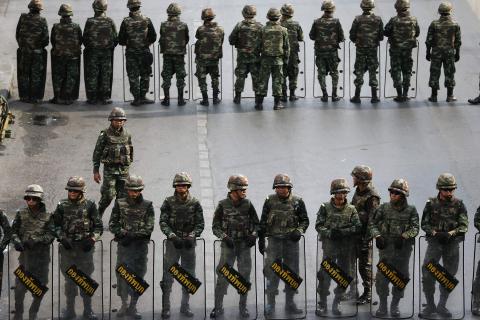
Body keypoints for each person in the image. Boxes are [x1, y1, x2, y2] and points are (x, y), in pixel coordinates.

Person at [52, 177, 102, 320]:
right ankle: (70, 310)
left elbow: (98, 227)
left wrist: (92, 239)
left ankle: (88, 310)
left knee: (85, 280)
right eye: (70, 190)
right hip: (68, 249)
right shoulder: (62, 205)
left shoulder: (90, 205)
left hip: (84, 250)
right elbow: (54, 225)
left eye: (75, 190)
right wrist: (62, 237)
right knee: (69, 281)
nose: (72, 193)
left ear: (81, 192)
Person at [259, 174, 309, 316]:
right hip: (274, 242)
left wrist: (299, 231)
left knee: (291, 274)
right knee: (272, 273)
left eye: (283, 187)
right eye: (278, 187)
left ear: (289, 188)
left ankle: (290, 303)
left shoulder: (298, 202)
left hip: (290, 243)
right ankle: (270, 304)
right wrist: (261, 240)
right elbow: (262, 222)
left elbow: (305, 220)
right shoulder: (269, 201)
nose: (280, 190)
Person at [211, 175, 259, 318]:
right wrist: (224, 237)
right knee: (223, 276)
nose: (244, 191)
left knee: (244, 277)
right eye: (241, 188)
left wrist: (254, 235)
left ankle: (243, 307)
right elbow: (215, 227)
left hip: (244, 246)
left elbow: (257, 224)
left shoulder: (248, 204)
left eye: (245, 188)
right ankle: (218, 307)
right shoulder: (222, 205)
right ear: (233, 189)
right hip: (228, 247)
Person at [420, 173, 468, 318]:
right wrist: (435, 233)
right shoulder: (431, 203)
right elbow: (424, 223)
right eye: (446, 189)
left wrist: (451, 233)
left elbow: (464, 225)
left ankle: (442, 305)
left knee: (448, 276)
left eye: (451, 189)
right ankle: (430, 305)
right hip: (434, 244)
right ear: (439, 189)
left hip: (451, 245)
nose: (449, 192)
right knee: (428, 274)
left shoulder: (459, 204)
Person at [369, 179, 419, 317]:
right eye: (391, 192)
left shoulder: (411, 210)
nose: (392, 195)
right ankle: (383, 306)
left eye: (396, 193)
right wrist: (377, 236)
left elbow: (415, 228)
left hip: (403, 252)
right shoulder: (383, 208)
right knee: (381, 279)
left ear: (403, 195)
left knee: (400, 278)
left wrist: (404, 236)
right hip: (385, 251)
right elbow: (372, 224)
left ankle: (395, 305)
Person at [159, 172, 204, 319]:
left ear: (188, 186)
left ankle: (185, 306)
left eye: (184, 185)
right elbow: (163, 222)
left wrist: (193, 235)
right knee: (168, 276)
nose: (181, 188)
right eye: (179, 185)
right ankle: (166, 308)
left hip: (189, 245)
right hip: (173, 244)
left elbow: (200, 224)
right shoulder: (168, 202)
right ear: (175, 186)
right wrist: (172, 236)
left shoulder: (195, 203)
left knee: (188, 276)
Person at [109, 175, 154, 320]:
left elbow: (149, 227)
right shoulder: (119, 203)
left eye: (136, 190)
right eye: (130, 190)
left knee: (138, 276)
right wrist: (123, 234)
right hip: (124, 247)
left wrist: (134, 236)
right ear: (126, 189)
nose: (133, 193)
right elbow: (112, 224)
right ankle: (124, 304)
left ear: (140, 190)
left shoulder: (147, 205)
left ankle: (133, 306)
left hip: (140, 248)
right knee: (122, 276)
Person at [316, 179, 360, 316]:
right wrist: (329, 232)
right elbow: (318, 225)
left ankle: (337, 302)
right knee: (324, 276)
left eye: (343, 192)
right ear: (333, 194)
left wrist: (343, 232)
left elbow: (357, 226)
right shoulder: (325, 207)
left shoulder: (351, 209)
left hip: (346, 249)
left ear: (346, 194)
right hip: (329, 248)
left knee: (343, 276)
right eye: (338, 193)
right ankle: (322, 303)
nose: (340, 195)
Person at [11, 184, 54, 320]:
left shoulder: (48, 215)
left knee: (39, 289)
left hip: (42, 259)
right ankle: (18, 313)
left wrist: (37, 240)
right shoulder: (21, 213)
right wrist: (16, 241)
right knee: (19, 289)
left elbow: (52, 234)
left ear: (40, 199)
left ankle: (33, 312)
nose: (30, 201)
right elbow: (13, 231)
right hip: (25, 258)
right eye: (28, 198)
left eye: (34, 199)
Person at [92, 107, 133, 218]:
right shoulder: (105, 134)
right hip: (110, 170)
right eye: (116, 120)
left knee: (122, 197)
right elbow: (97, 152)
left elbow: (130, 149)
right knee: (108, 195)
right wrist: (96, 171)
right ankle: (99, 213)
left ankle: (116, 219)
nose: (119, 122)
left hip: (124, 170)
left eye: (121, 120)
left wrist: (128, 164)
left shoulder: (127, 134)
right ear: (111, 120)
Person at [350, 165, 380, 304]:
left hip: (363, 237)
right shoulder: (358, 191)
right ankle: (353, 291)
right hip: (354, 234)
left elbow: (373, 220)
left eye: (355, 176)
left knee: (364, 266)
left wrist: (366, 240)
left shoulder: (372, 196)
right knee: (350, 264)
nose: (353, 179)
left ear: (361, 179)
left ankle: (369, 293)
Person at [118, 0, 157, 106]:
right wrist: (145, 44)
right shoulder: (146, 19)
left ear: (129, 8)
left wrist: (130, 44)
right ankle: (143, 96)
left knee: (133, 76)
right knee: (145, 74)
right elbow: (153, 36)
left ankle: (136, 99)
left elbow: (121, 39)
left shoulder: (126, 21)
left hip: (131, 53)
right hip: (144, 52)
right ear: (139, 7)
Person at [384, 0, 420, 102]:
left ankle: (399, 94)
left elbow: (386, 32)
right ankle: (405, 94)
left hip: (395, 50)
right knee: (407, 70)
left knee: (396, 70)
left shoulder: (393, 20)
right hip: (407, 50)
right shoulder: (413, 20)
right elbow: (417, 33)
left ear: (397, 8)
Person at [83, 0, 118, 105]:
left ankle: (92, 98)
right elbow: (116, 38)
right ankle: (105, 97)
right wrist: (109, 47)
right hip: (106, 53)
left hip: (93, 52)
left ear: (94, 8)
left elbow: (85, 38)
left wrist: (91, 47)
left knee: (93, 74)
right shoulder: (110, 21)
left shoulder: (90, 22)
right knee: (105, 74)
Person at [309, 0, 344, 102]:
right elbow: (341, 37)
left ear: (323, 9)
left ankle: (324, 94)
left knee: (321, 73)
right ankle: (334, 95)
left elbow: (311, 36)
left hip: (320, 52)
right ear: (333, 10)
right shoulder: (336, 22)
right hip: (332, 52)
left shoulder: (317, 22)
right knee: (334, 73)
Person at [349, 0, 384, 104]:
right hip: (373, 49)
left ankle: (357, 96)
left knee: (359, 70)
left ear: (362, 7)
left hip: (360, 49)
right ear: (373, 6)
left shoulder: (357, 19)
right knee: (373, 71)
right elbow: (381, 36)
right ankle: (374, 97)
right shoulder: (378, 19)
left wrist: (359, 41)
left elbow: (352, 35)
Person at [426, 1, 461, 103]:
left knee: (434, 73)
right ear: (450, 11)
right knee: (449, 73)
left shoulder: (434, 24)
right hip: (449, 53)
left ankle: (434, 96)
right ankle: (450, 96)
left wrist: (428, 52)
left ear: (439, 11)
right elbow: (458, 41)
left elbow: (429, 40)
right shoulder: (455, 24)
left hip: (436, 52)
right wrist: (457, 53)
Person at [255, 8, 290, 111]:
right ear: (279, 17)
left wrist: (258, 58)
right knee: (278, 81)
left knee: (262, 81)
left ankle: (259, 104)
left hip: (265, 59)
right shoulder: (283, 30)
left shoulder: (262, 29)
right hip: (278, 60)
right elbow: (286, 47)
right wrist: (286, 60)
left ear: (268, 17)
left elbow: (258, 46)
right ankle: (277, 103)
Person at [16, 0, 49, 104]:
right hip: (37, 53)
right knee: (36, 75)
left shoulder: (23, 17)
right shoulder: (42, 20)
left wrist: (23, 46)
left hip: (24, 51)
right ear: (40, 10)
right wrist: (38, 47)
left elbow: (17, 34)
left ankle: (24, 97)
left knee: (24, 74)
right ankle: (34, 97)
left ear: (30, 7)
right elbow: (46, 39)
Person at [50, 4, 83, 105]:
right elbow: (80, 40)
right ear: (70, 15)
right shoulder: (76, 27)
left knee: (58, 76)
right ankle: (68, 97)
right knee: (71, 76)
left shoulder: (56, 27)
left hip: (59, 55)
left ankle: (57, 97)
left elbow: (52, 41)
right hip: (73, 56)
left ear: (61, 14)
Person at [229, 5, 263, 104]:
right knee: (256, 77)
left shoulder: (239, 26)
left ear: (243, 13)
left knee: (240, 76)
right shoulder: (260, 26)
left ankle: (238, 97)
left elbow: (231, 40)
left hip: (242, 58)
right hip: (255, 58)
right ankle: (258, 98)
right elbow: (264, 42)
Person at [159, 3, 189, 107]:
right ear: (178, 13)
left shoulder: (163, 24)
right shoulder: (183, 25)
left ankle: (166, 100)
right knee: (180, 76)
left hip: (167, 55)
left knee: (166, 76)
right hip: (179, 55)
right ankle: (180, 99)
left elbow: (161, 37)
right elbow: (187, 39)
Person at [194, 8, 224, 106]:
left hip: (202, 59)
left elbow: (197, 37)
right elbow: (221, 41)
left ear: (203, 18)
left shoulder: (200, 29)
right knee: (215, 78)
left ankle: (205, 99)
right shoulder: (220, 29)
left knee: (202, 79)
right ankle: (215, 98)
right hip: (214, 59)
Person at [280, 4, 303, 102]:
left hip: (281, 52)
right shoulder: (296, 24)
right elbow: (301, 38)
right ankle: (292, 95)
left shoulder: (278, 24)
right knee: (293, 72)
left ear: (282, 13)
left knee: (282, 73)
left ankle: (283, 95)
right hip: (293, 53)